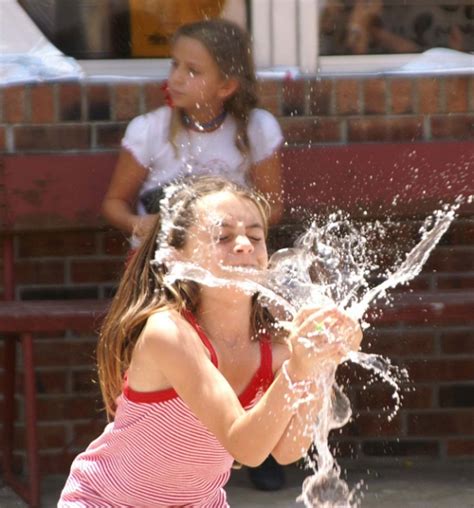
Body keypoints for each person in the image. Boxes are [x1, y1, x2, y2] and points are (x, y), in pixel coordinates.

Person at [59, 176, 362, 507]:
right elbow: (244, 447)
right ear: (177, 258)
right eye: (223, 236)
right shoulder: (169, 333)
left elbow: (288, 449)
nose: (245, 244)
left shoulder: (276, 347)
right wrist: (298, 369)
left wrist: (321, 360)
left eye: (256, 236)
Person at [102, 18, 284, 250]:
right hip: (161, 256)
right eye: (175, 64)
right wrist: (139, 224)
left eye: (192, 71)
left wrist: (230, 229)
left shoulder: (257, 128)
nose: (176, 77)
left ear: (226, 87)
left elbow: (273, 208)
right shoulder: (148, 130)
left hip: (225, 254)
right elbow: (114, 203)